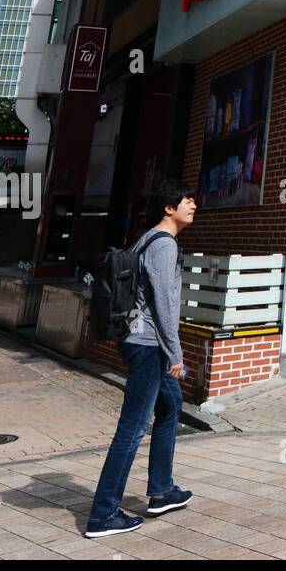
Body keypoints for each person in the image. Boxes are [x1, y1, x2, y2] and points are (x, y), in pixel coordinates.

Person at [85, 182, 196, 538]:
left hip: (140, 340)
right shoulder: (163, 244)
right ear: (169, 208)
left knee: (171, 407)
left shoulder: (146, 239)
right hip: (149, 346)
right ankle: (102, 515)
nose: (193, 205)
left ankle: (162, 491)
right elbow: (163, 304)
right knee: (132, 429)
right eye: (187, 200)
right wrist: (175, 354)